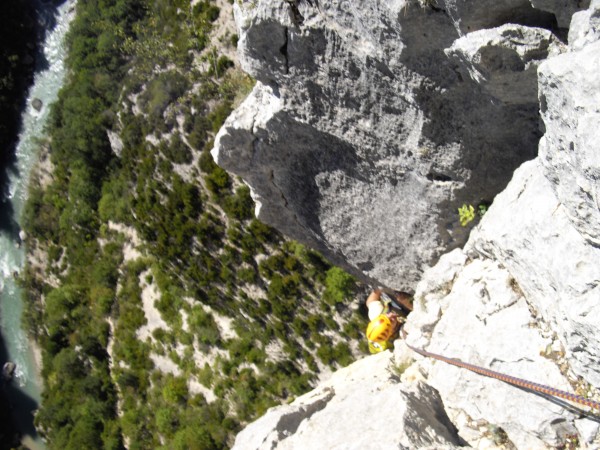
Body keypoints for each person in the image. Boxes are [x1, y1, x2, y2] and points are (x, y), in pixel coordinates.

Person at [365, 289, 412, 354]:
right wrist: (407, 303)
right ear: (392, 332)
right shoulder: (402, 334)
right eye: (391, 320)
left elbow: (370, 301)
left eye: (386, 315)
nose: (391, 315)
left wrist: (379, 289)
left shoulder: (376, 314)